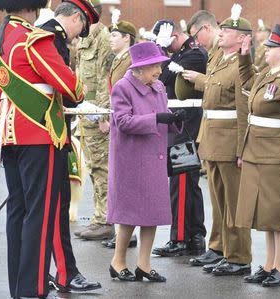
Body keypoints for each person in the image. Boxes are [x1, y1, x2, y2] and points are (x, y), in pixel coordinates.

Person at [0, 0, 85, 297]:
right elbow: (71, 86)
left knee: (18, 210)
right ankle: (34, 288)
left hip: (7, 136)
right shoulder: (35, 39)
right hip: (39, 133)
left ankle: (19, 286)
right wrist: (81, 87)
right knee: (39, 213)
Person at [182, 5, 253, 276]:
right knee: (219, 199)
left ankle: (238, 256)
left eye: (228, 31)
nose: (221, 33)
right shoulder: (217, 59)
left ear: (242, 38)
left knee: (234, 201)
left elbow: (244, 109)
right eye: (221, 29)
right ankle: (219, 246)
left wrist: (241, 148)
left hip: (229, 137)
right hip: (211, 135)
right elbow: (212, 88)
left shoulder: (243, 66)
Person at [107, 41, 184, 283]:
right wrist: (156, 118)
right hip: (131, 159)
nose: (160, 71)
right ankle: (118, 261)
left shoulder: (159, 86)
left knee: (152, 213)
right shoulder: (122, 87)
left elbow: (163, 117)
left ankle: (144, 264)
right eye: (155, 67)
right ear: (140, 68)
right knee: (130, 214)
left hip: (154, 156)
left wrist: (175, 119)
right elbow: (123, 122)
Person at [39, 0, 102, 292]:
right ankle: (66, 273)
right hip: (49, 133)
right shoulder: (53, 40)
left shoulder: (41, 33)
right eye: (81, 29)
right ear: (76, 18)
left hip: (35, 133)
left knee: (38, 210)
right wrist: (80, 94)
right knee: (56, 207)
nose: (78, 37)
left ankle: (39, 274)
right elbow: (66, 92)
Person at [236, 24, 280, 288]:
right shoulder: (266, 74)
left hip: (276, 156)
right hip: (257, 153)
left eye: (271, 48)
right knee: (267, 215)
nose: (266, 50)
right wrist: (244, 56)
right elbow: (247, 82)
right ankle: (268, 265)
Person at [151, 20, 208, 257]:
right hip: (180, 122)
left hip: (187, 124)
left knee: (182, 182)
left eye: (164, 41)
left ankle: (181, 238)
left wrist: (161, 52)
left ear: (173, 35)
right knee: (187, 183)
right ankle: (195, 236)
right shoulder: (183, 54)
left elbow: (161, 77)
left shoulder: (194, 54)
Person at [182, 10, 225, 268]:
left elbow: (227, 87)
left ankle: (227, 249)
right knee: (217, 197)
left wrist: (200, 80)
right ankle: (217, 246)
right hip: (211, 129)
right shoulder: (216, 52)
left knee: (225, 198)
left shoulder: (226, 51)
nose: (196, 42)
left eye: (196, 36)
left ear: (206, 28)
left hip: (225, 131)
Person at [74, 0, 115, 241]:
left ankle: (106, 220)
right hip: (85, 112)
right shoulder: (85, 37)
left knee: (102, 168)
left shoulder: (103, 38)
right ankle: (100, 217)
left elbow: (105, 80)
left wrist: (101, 114)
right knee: (93, 167)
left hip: (95, 114)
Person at [101, 20, 139, 250]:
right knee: (118, 179)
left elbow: (130, 96)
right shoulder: (119, 60)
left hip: (126, 123)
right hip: (117, 120)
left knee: (125, 180)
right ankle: (121, 233)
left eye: (116, 35)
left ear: (127, 38)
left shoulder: (131, 60)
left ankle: (127, 234)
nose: (111, 38)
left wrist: (113, 117)